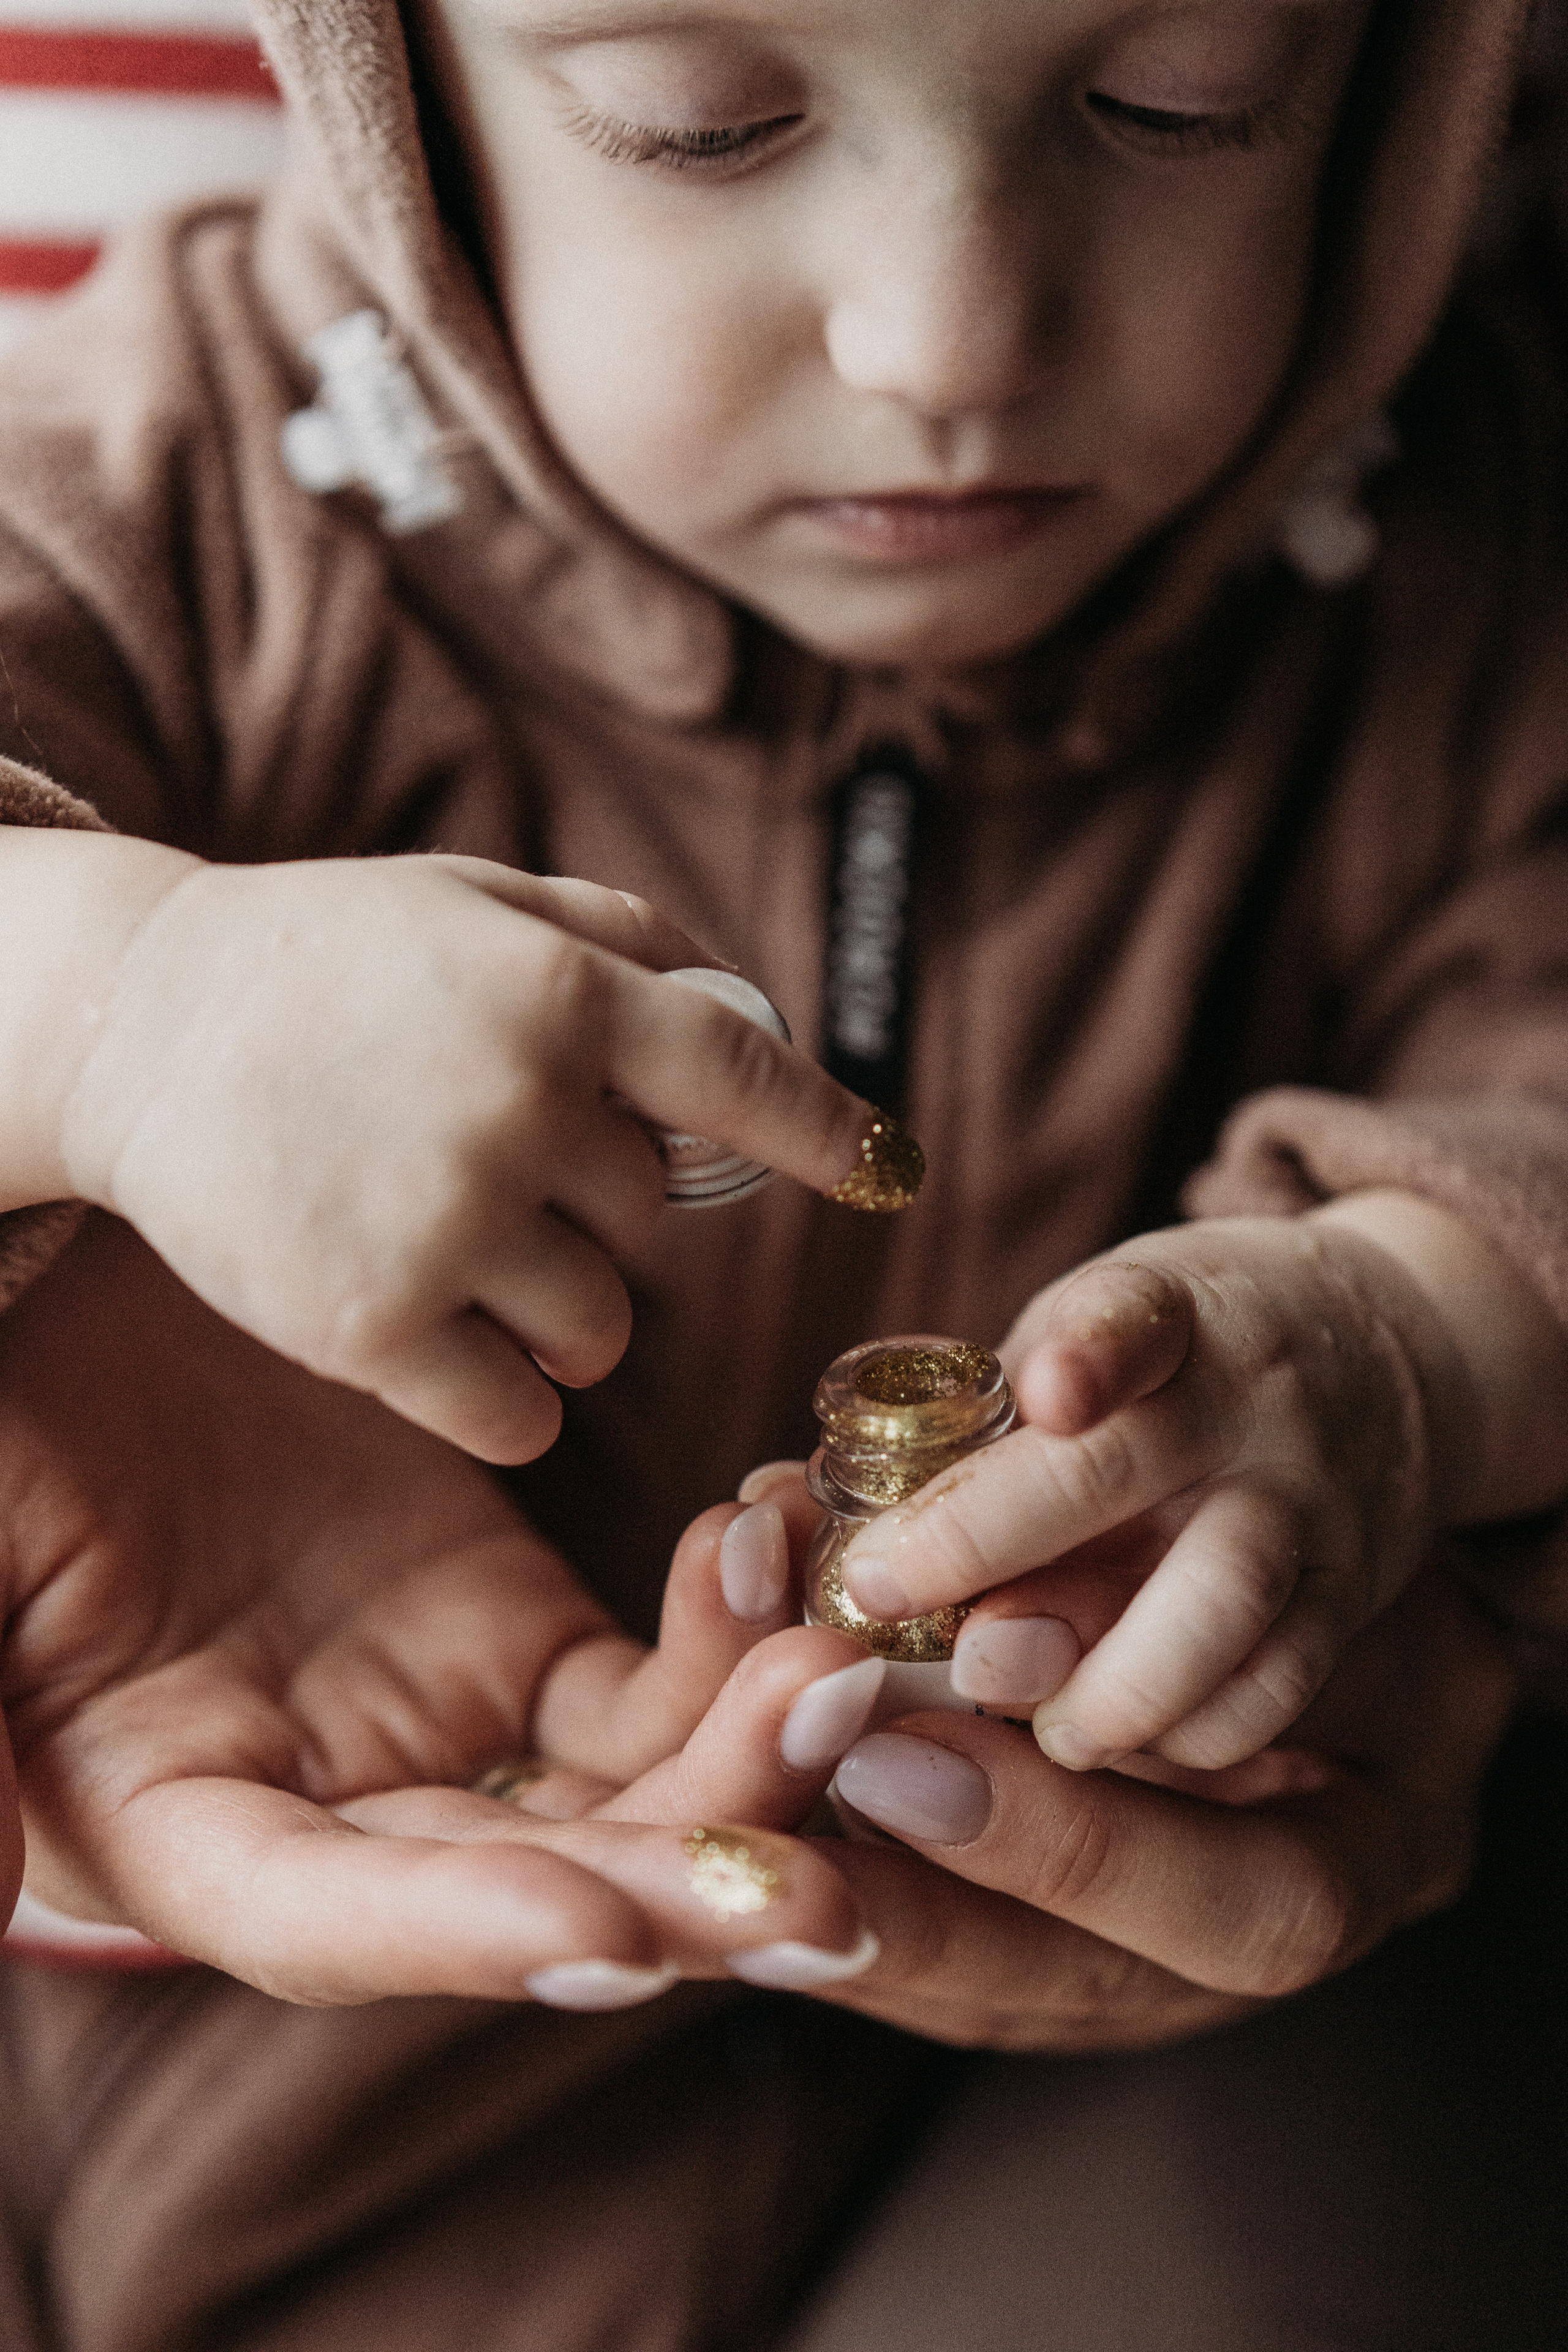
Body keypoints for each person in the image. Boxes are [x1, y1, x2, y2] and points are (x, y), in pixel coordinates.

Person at [0, 0, 1564, 2343]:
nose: (948, 340)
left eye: (1183, 100)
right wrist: (108, 1008)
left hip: (1061, 2072)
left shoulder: (1482, 547)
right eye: (696, 124)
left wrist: (1416, 1333)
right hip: (157, 2070)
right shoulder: (159, 479)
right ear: (395, 84)